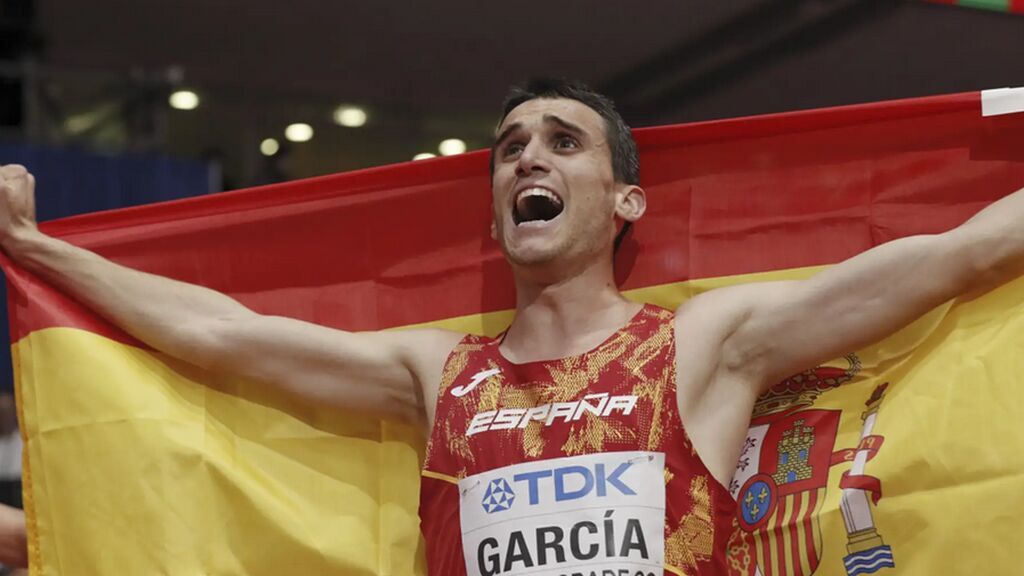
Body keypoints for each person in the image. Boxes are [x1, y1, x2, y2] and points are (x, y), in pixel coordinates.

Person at [0, 79, 1021, 575]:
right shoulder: (437, 373)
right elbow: (220, 338)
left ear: (624, 202)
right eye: (508, 149)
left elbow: (962, 256)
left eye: (562, 142)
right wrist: (41, 251)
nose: (527, 159)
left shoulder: (704, 346)